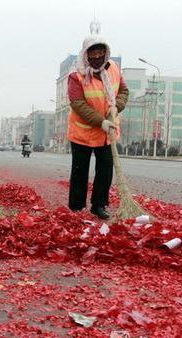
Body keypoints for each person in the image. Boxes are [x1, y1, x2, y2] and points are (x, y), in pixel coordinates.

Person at [67, 36, 129, 219]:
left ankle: (99, 204)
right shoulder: (76, 75)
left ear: (105, 53)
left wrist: (116, 106)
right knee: (80, 170)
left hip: (107, 133)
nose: (97, 57)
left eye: (100, 53)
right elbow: (78, 103)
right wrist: (100, 121)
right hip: (83, 133)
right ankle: (77, 206)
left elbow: (124, 91)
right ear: (86, 55)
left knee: (105, 169)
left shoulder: (114, 70)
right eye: (93, 53)